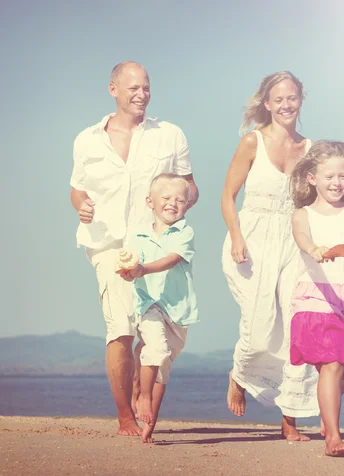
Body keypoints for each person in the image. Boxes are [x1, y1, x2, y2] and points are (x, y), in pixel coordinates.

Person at [69, 62, 198, 436]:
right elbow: (76, 188)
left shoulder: (170, 135)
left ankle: (144, 384)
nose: (141, 95)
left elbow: (191, 187)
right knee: (121, 328)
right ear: (113, 89)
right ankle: (125, 415)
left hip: (156, 246)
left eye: (146, 87)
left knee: (162, 334)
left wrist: (175, 206)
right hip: (109, 246)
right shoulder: (87, 139)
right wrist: (81, 204)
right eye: (133, 88)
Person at [221, 71, 319, 440]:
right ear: (267, 103)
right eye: (278, 99)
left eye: (291, 98)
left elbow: (319, 200)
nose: (285, 105)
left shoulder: (312, 150)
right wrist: (236, 237)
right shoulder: (252, 142)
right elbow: (227, 196)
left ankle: (289, 420)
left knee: (295, 327)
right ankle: (239, 374)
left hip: (294, 242)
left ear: (300, 99)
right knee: (260, 327)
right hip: (252, 239)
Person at [288, 140, 344, 456]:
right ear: (312, 177)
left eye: (342, 176)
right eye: (329, 177)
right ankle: (333, 439)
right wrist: (312, 249)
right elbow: (302, 237)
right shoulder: (303, 214)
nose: (336, 183)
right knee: (333, 361)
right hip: (318, 294)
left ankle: (329, 415)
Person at [119, 173, 199, 443]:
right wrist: (131, 272)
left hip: (178, 311)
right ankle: (142, 396)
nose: (172, 204)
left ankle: (149, 424)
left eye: (180, 200)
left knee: (163, 364)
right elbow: (132, 264)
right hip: (149, 303)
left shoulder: (184, 232)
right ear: (150, 201)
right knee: (158, 349)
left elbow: (171, 259)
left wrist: (141, 269)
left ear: (187, 205)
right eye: (165, 198)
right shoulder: (138, 235)